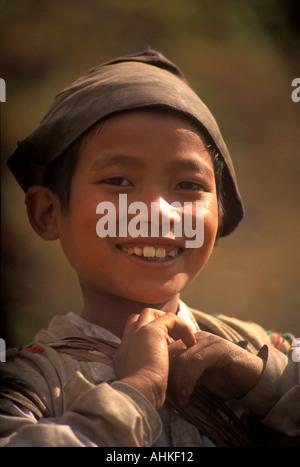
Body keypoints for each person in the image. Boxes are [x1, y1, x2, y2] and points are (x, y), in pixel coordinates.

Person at [1, 49, 299, 447]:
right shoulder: (28, 383)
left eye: (189, 186)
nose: (158, 212)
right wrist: (137, 390)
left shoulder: (260, 349)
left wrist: (265, 381)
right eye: (119, 182)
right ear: (48, 212)